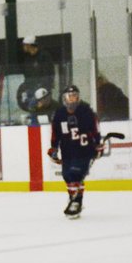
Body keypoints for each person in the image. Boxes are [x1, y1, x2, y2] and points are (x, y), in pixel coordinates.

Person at [48, 84, 101, 219]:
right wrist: (54, 148)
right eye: (70, 96)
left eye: (75, 96)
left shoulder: (86, 111)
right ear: (65, 98)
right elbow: (56, 133)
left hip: (84, 150)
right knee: (67, 175)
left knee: (75, 174)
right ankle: (74, 198)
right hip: (67, 151)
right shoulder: (59, 114)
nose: (73, 99)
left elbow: (95, 129)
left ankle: (77, 201)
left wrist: (97, 144)